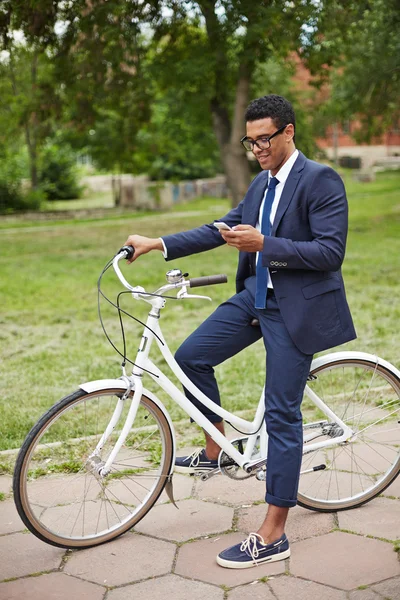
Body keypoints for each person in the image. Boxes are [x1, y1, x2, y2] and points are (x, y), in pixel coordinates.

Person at [123, 94, 356, 569]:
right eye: (251, 143)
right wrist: (157, 244)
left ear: (289, 132)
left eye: (265, 139)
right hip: (256, 298)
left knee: (281, 413)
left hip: (297, 310)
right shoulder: (261, 184)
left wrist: (265, 244)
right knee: (190, 357)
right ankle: (218, 449)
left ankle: (273, 534)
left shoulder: (321, 180)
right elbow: (222, 229)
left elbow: (330, 253)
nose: (258, 149)